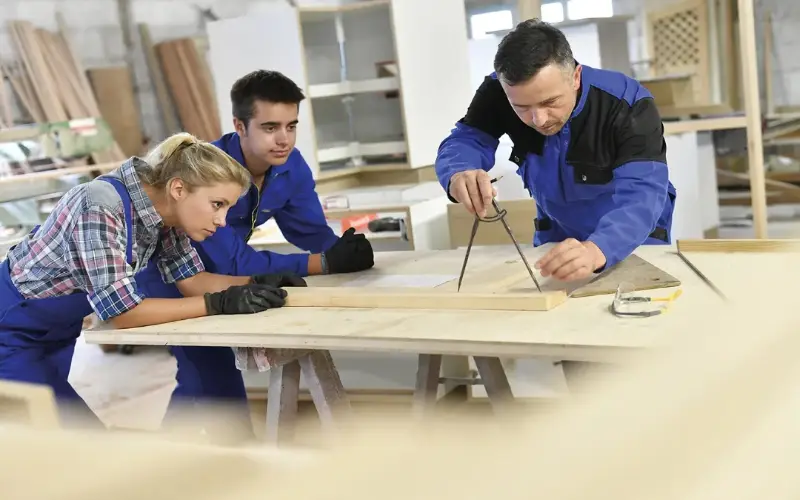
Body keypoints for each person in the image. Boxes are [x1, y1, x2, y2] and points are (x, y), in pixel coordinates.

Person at [0, 132, 305, 429]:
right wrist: (217, 303)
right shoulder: (100, 206)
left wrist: (255, 281)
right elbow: (124, 313)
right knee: (71, 444)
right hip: (10, 330)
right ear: (178, 188)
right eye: (217, 204)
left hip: (54, 332)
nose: (222, 221)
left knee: (45, 439)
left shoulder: (165, 216)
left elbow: (192, 280)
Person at [136, 70, 374, 436]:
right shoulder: (209, 173)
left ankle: (173, 452)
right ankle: (235, 459)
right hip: (171, 275)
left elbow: (310, 232)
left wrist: (342, 252)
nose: (284, 140)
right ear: (240, 126)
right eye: (269, 127)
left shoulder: (290, 166)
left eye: (291, 126)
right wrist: (323, 263)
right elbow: (231, 260)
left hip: (215, 275)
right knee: (210, 369)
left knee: (200, 377)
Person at [436, 19, 676, 281]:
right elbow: (465, 140)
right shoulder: (497, 92)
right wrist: (458, 172)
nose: (538, 120)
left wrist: (598, 250)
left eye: (550, 102)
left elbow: (643, 194)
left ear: (575, 77)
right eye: (522, 108)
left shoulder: (627, 103)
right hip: (557, 234)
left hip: (632, 235)